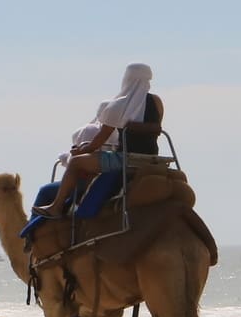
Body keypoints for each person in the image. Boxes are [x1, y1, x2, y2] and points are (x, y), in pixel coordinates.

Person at [33, 62, 163, 217]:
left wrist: (81, 150)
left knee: (76, 163)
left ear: (127, 78)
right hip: (152, 158)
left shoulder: (118, 105)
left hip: (125, 159)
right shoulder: (157, 102)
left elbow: (99, 140)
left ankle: (56, 206)